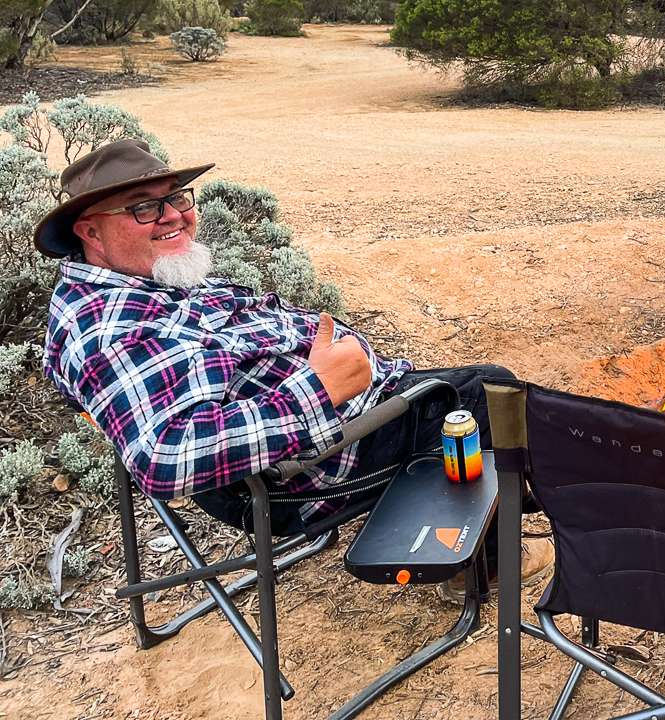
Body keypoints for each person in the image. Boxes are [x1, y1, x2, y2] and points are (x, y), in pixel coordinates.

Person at [36, 139, 551, 601]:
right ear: (91, 232)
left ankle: (511, 502)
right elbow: (164, 456)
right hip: (310, 469)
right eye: (143, 207)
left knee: (476, 401)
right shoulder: (112, 328)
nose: (171, 216)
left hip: (330, 420)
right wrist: (319, 389)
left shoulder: (142, 281)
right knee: (492, 394)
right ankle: (488, 560)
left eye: (176, 198)